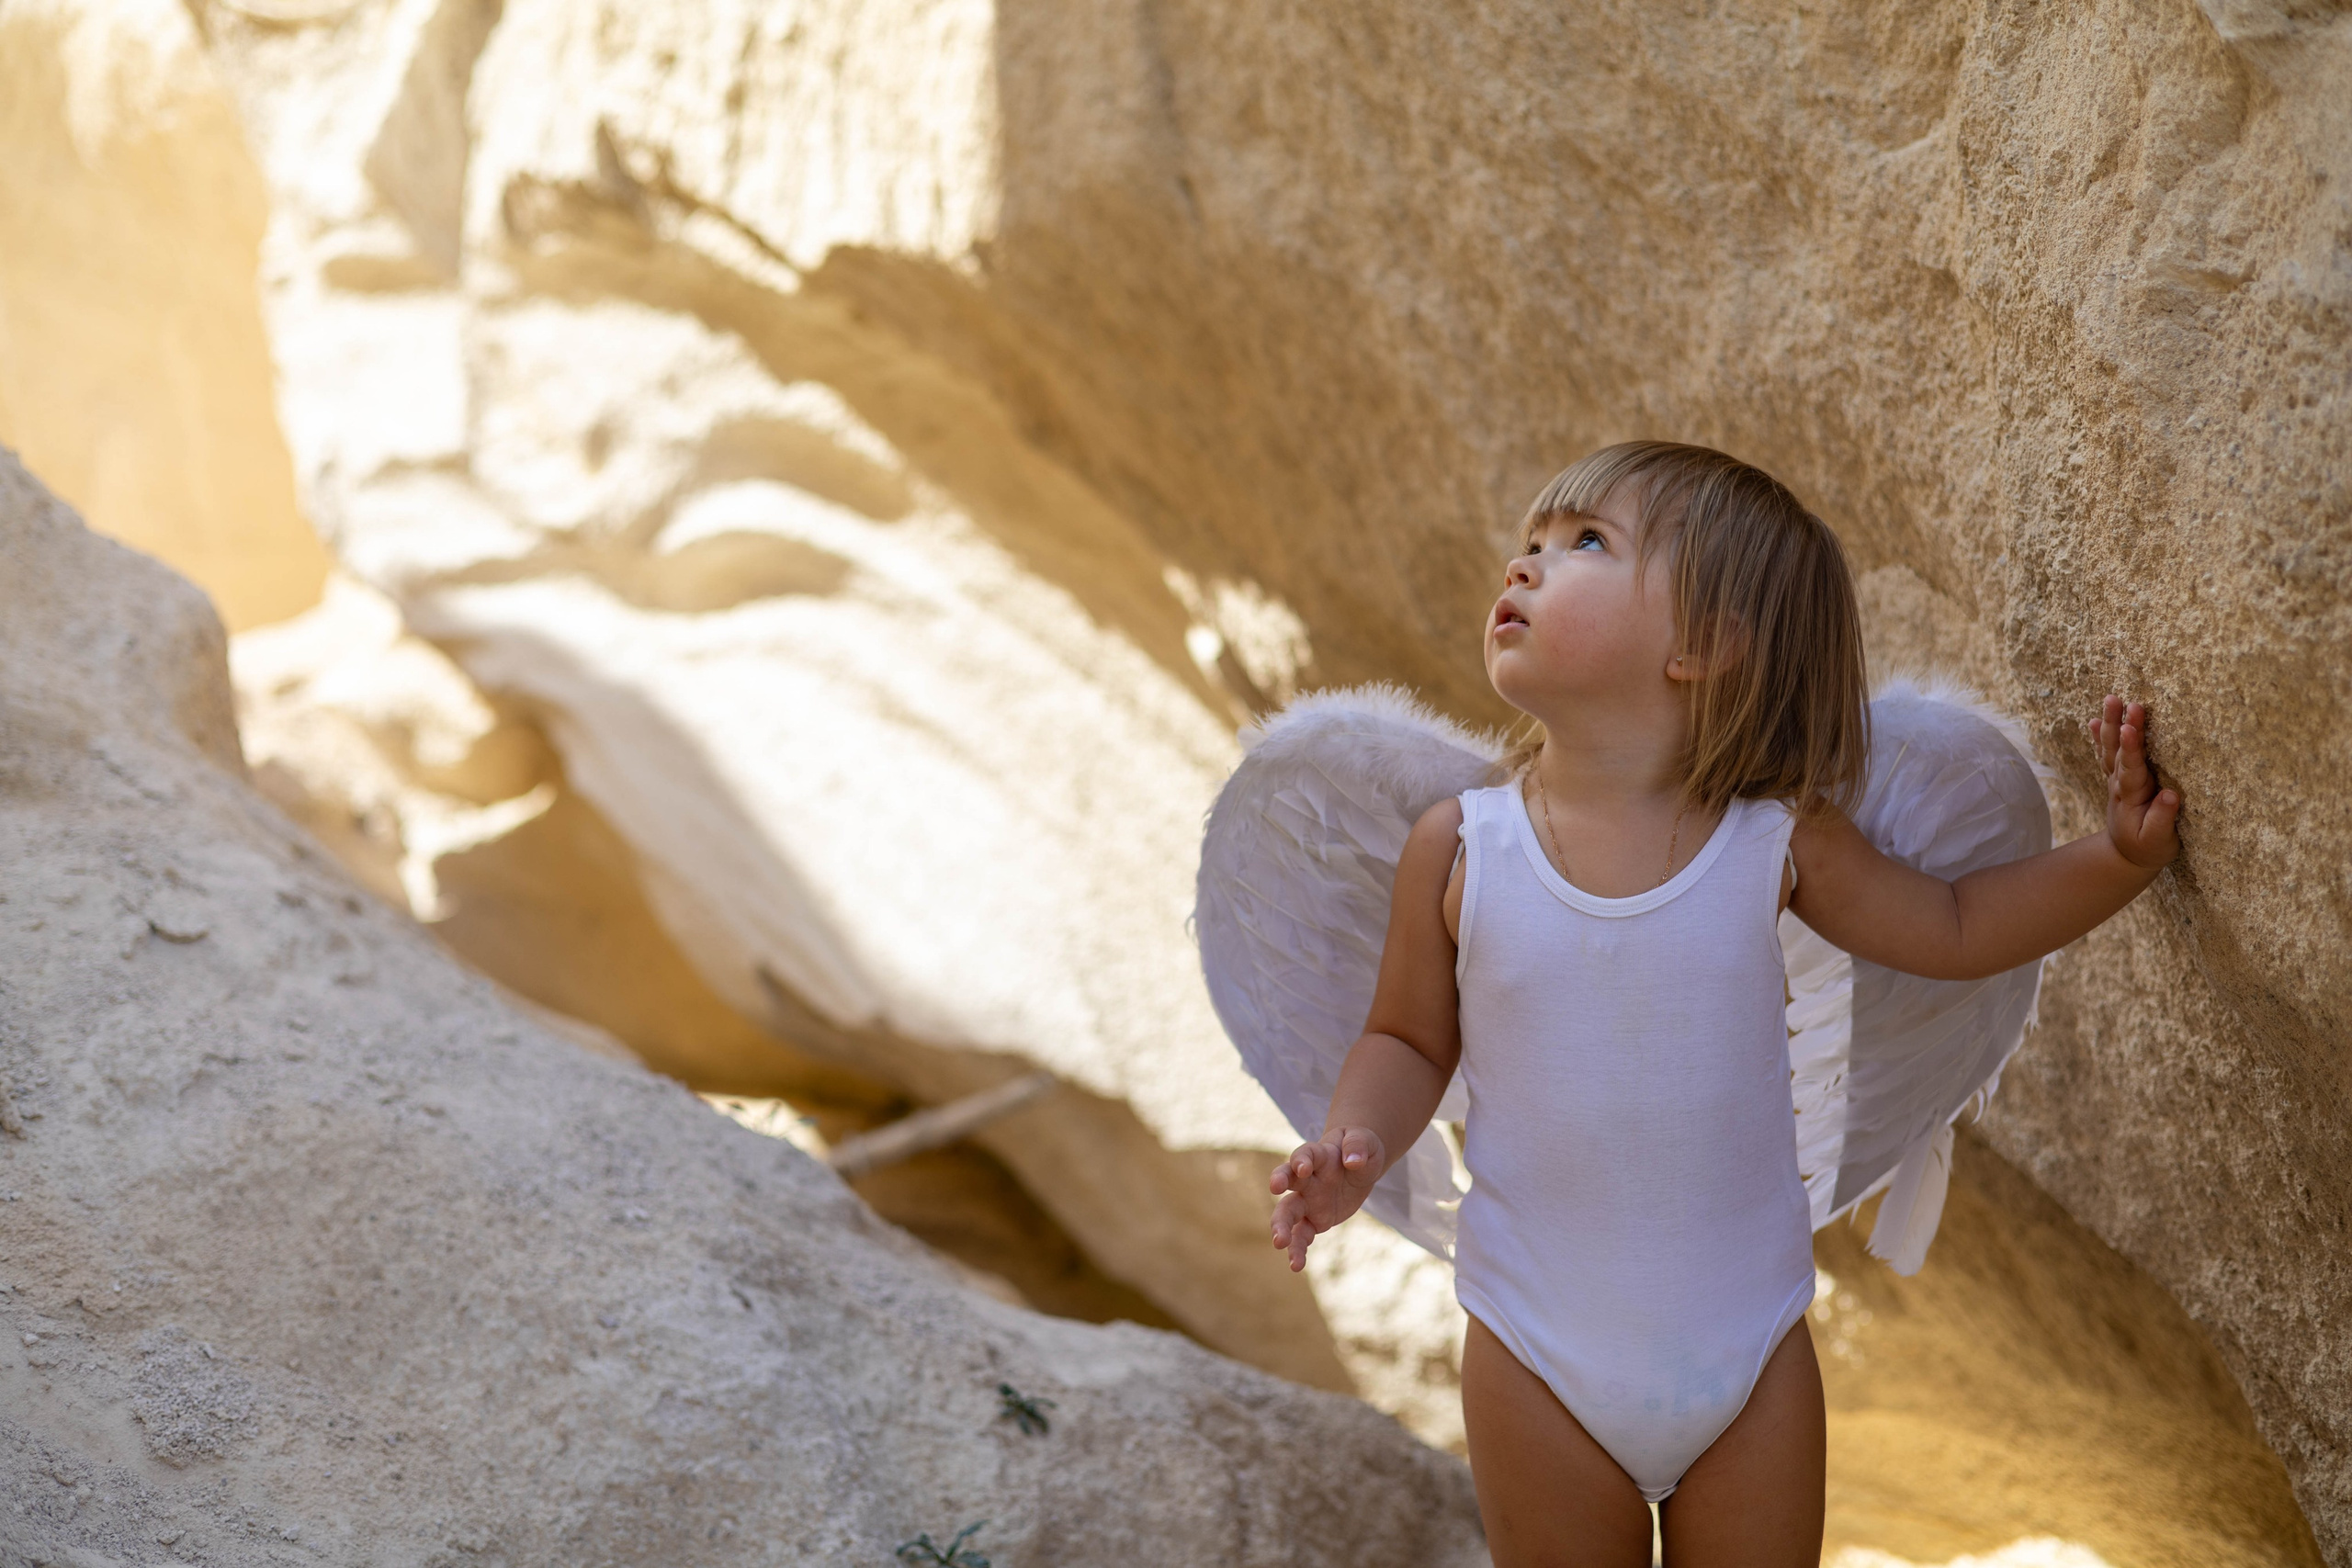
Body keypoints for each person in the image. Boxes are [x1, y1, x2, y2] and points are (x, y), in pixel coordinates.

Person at [1264, 442, 2181, 1568]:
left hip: (1745, 1359)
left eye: (1586, 543)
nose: (1526, 563)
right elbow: (1405, 1037)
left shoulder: (1774, 840)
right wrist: (1352, 1145)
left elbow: (1954, 927)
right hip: (1535, 1350)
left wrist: (2118, 858)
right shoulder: (1460, 847)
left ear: (1705, 647)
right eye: (1533, 541)